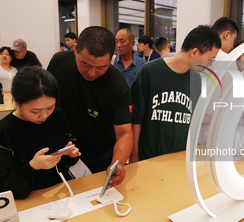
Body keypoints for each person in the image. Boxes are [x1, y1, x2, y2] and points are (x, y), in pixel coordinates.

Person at [47, 26, 133, 187]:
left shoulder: (117, 85)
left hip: (98, 156)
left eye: (101, 67)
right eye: (85, 64)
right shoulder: (59, 62)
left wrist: (118, 164)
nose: (92, 73)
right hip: (59, 150)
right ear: (76, 49)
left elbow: (124, 133)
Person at [130, 25, 221, 162]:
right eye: (210, 59)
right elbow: (136, 119)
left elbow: (194, 117)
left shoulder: (196, 79)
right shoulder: (149, 72)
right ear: (195, 52)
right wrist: (134, 154)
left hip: (179, 159)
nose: (210, 64)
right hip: (149, 159)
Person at [0, 66, 80, 199]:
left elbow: (67, 162)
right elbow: (4, 188)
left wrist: (70, 155)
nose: (44, 116)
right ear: (16, 101)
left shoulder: (58, 116)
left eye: (50, 107)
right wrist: (32, 167)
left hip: (63, 192)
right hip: (29, 201)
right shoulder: (5, 131)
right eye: (35, 111)